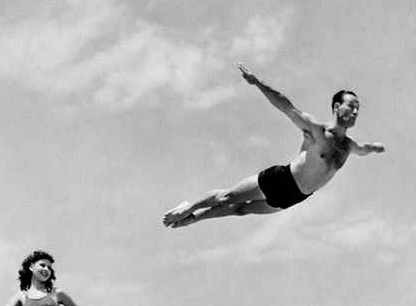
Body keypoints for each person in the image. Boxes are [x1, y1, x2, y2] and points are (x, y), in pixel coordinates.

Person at [163, 63, 384, 228]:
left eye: (359, 109)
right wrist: (258, 83)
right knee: (227, 198)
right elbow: (286, 106)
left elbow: (363, 149)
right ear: (337, 106)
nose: (356, 112)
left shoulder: (348, 146)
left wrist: (374, 147)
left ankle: (192, 218)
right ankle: (187, 208)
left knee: (240, 210)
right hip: (281, 179)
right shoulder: (317, 131)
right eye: (352, 106)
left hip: (296, 197)